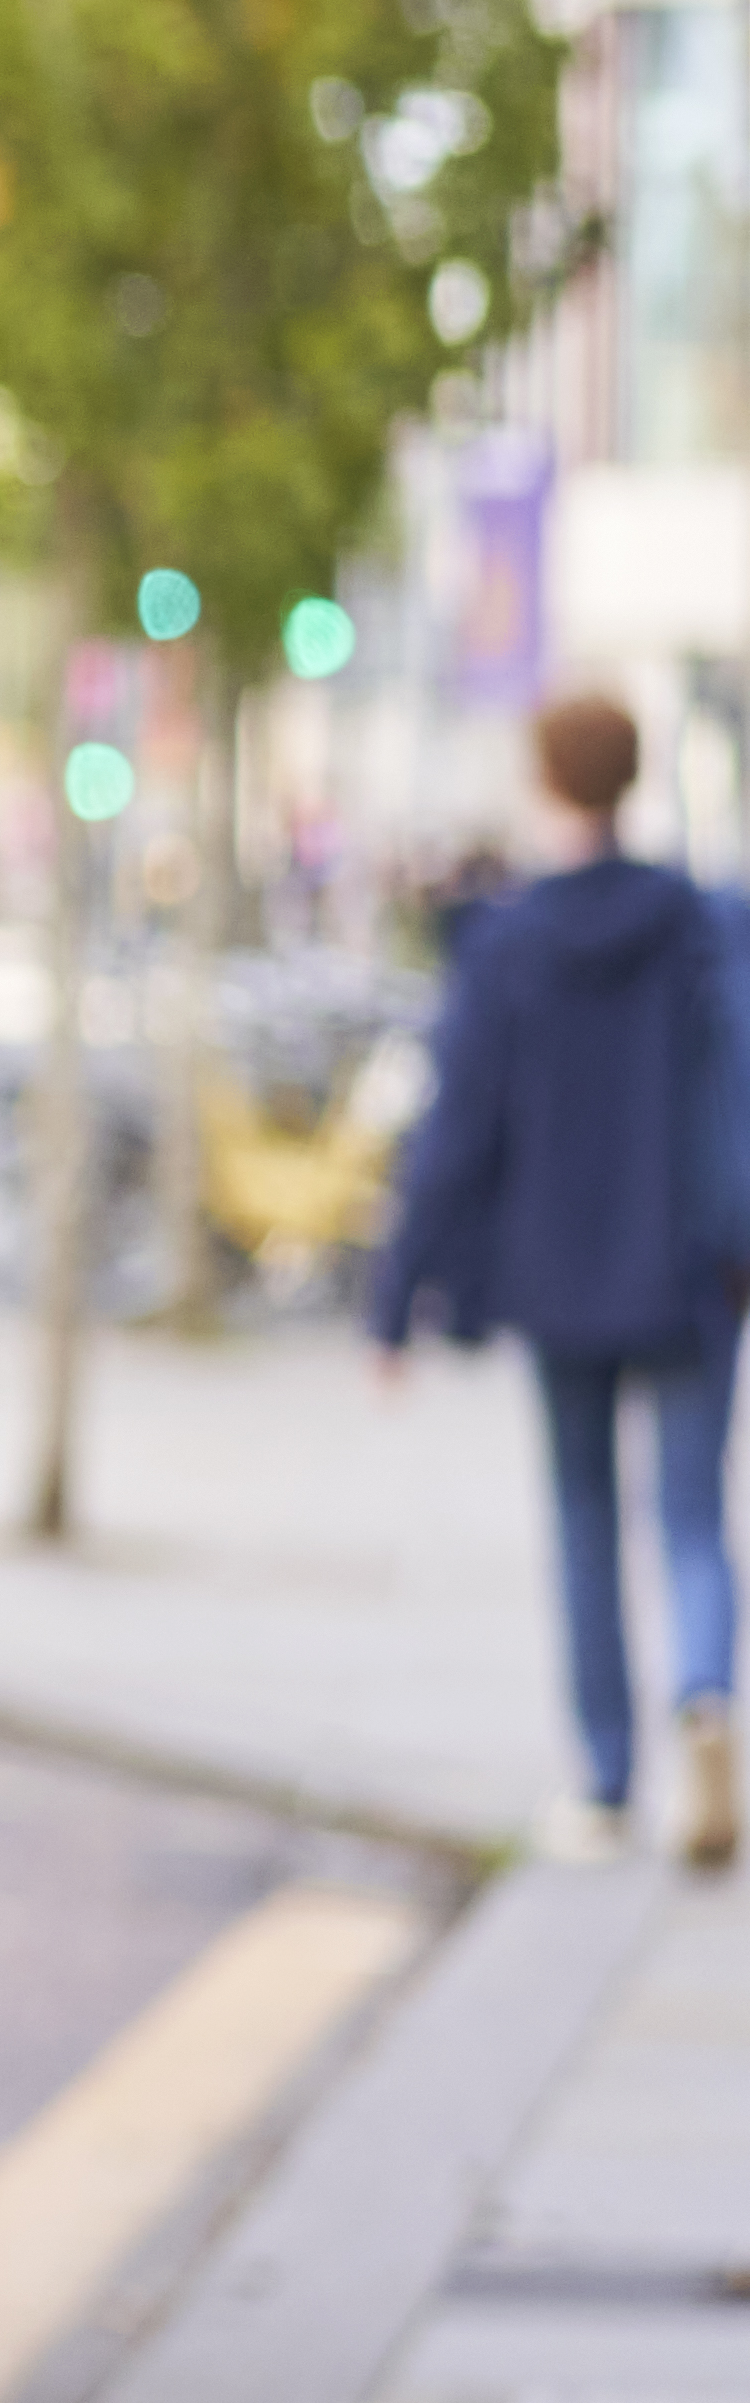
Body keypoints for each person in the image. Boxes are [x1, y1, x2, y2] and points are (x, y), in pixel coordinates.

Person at [374, 687, 750, 1870]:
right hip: (688, 1268)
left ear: (546, 783)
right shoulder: (699, 922)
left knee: (584, 1520)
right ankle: (703, 1691)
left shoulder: (507, 942)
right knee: (690, 1515)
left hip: (556, 1275)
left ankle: (601, 1782)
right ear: (630, 781)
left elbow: (456, 1134)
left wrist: (397, 1298)